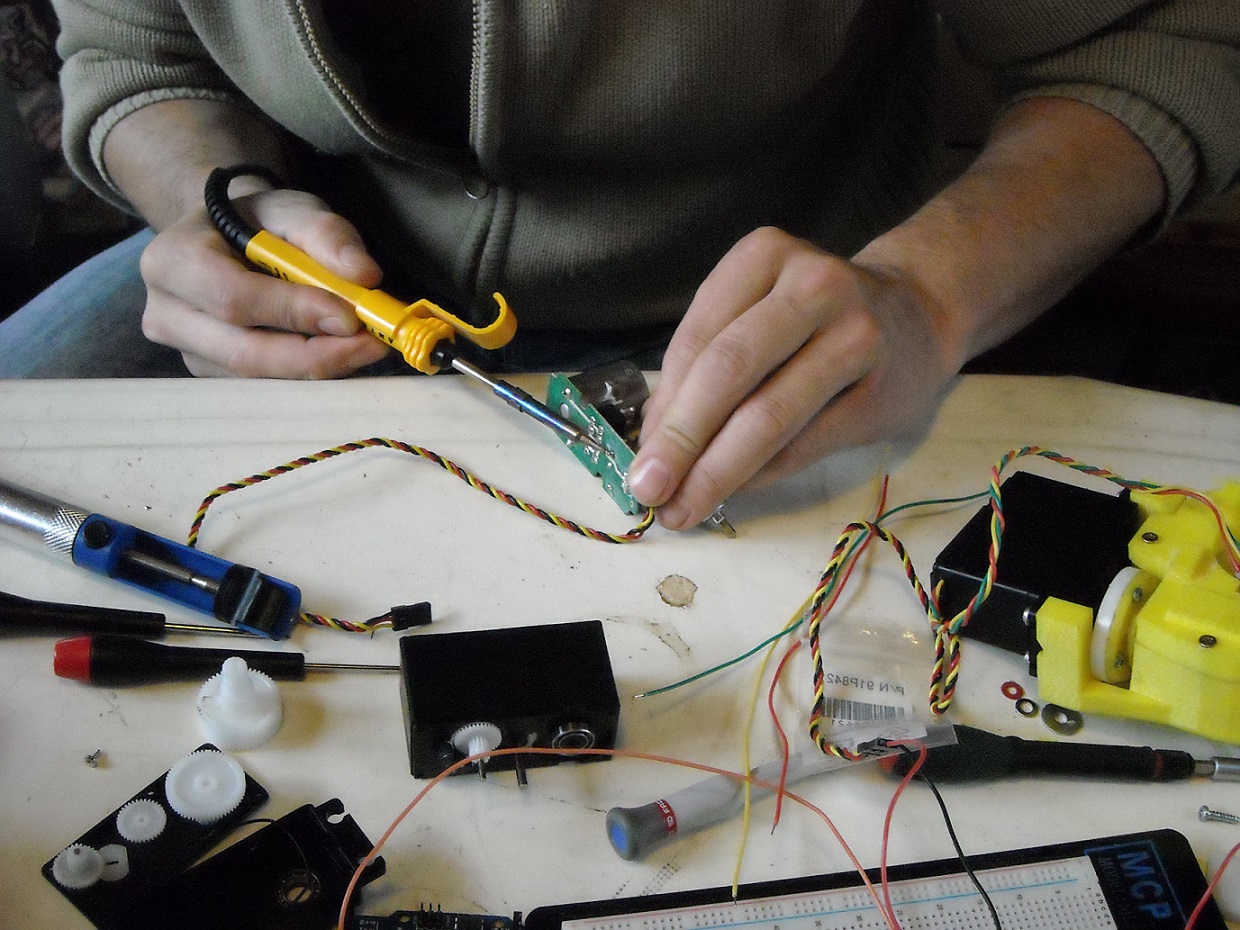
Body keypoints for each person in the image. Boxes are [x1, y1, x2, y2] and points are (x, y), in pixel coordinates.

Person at [3, 2, 1237, 533]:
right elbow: (135, 53)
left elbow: (1166, 41)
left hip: (797, 310)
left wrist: (927, 293)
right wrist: (224, 205)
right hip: (323, 293)